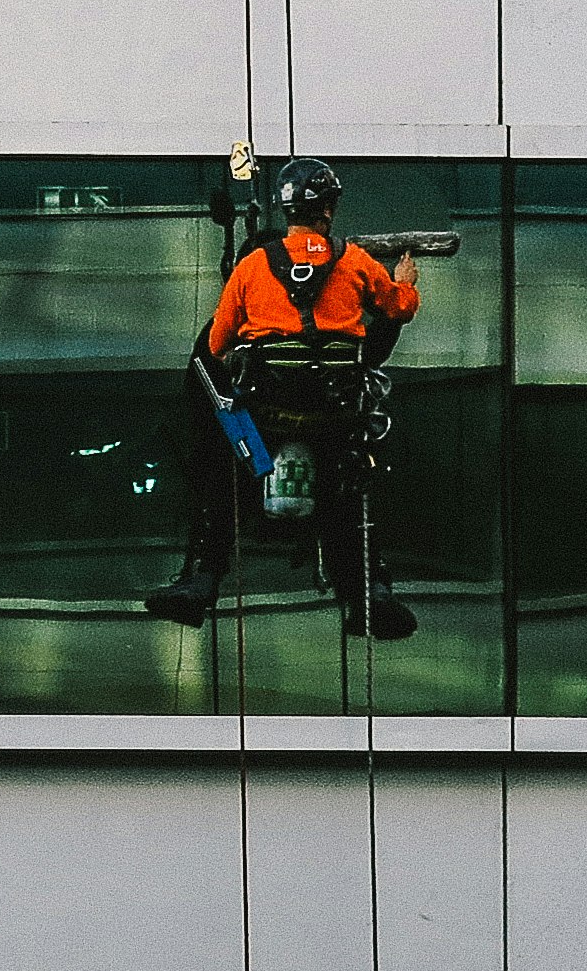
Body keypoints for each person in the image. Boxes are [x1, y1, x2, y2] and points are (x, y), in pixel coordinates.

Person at [144, 155, 421, 639]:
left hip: (263, 425)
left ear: (286, 210)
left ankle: (202, 580)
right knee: (348, 492)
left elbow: (215, 345)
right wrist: (406, 284)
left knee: (219, 471)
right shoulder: (356, 262)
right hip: (333, 423)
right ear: (328, 210)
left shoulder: (252, 267)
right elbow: (398, 309)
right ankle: (369, 592)